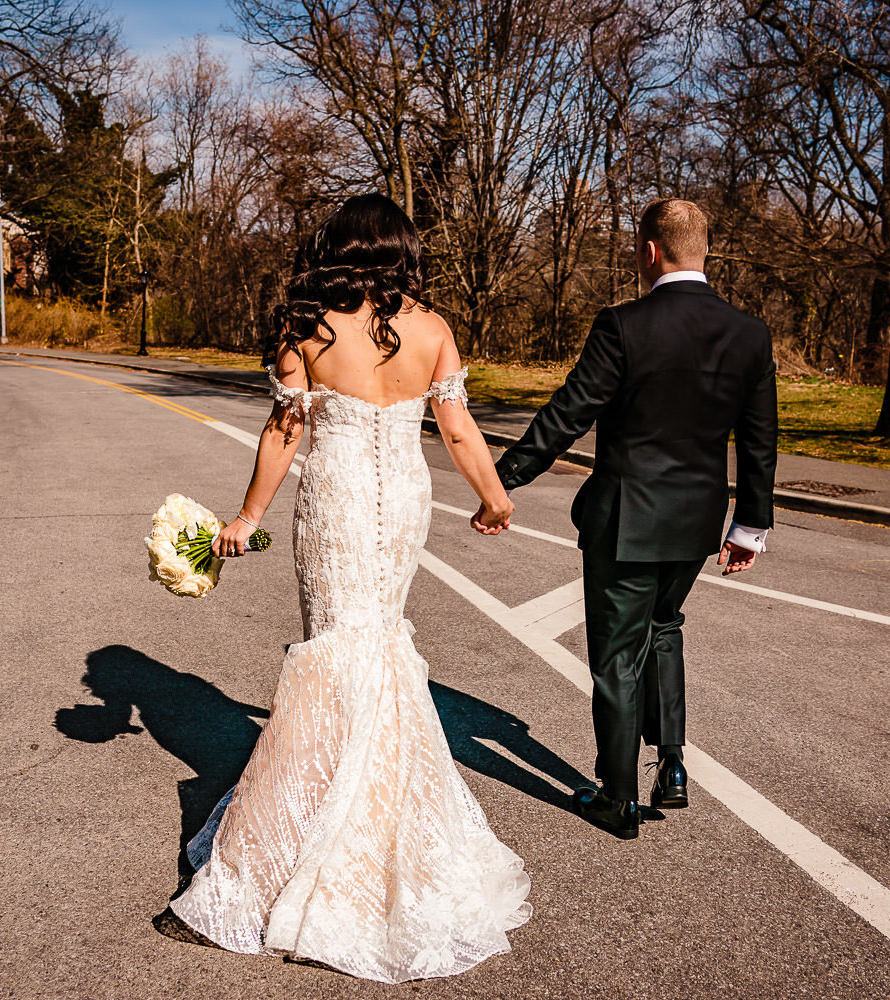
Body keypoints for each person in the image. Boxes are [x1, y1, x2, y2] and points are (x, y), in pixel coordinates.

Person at [160, 194, 532, 982]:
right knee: (375, 648)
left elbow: (285, 431)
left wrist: (247, 515)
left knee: (338, 653)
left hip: (332, 501)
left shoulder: (311, 328)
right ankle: (374, 826)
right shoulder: (431, 329)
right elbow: (459, 430)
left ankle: (306, 845)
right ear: (400, 252)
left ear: (336, 249)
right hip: (401, 500)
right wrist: (493, 497)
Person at [482, 198, 778, 840]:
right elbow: (759, 440)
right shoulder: (750, 334)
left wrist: (501, 478)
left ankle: (616, 798)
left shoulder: (624, 325)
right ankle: (671, 766)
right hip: (698, 524)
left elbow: (570, 410)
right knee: (665, 628)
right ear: (703, 250)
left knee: (616, 657)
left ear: (650, 251)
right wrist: (749, 525)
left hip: (627, 522)